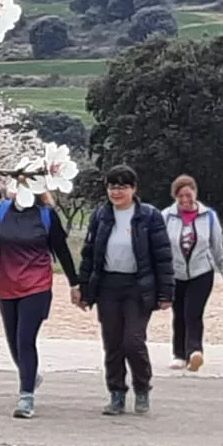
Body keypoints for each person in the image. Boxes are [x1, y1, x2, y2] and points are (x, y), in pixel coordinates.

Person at [74, 165, 174, 415]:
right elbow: (89, 255)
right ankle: (116, 392)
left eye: (122, 186)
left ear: (134, 189)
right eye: (112, 186)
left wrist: (166, 293)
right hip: (108, 285)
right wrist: (83, 288)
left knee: (133, 341)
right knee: (113, 342)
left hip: (138, 287)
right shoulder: (100, 215)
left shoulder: (149, 216)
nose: (116, 192)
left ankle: (142, 388)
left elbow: (163, 257)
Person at [0, 191, 78, 419]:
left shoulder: (46, 214)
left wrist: (74, 283)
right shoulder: (1, 211)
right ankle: (30, 375)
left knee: (25, 339)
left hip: (37, 284)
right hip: (6, 283)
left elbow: (61, 249)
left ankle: (26, 396)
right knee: (13, 342)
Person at [163, 175, 223, 372]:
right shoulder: (166, 216)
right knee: (178, 313)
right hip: (174, 273)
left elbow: (218, 246)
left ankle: (194, 351)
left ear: (195, 192)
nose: (185, 200)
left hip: (201, 272)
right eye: (180, 197)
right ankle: (178, 354)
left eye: (188, 195)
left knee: (193, 312)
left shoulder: (209, 216)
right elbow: (158, 246)